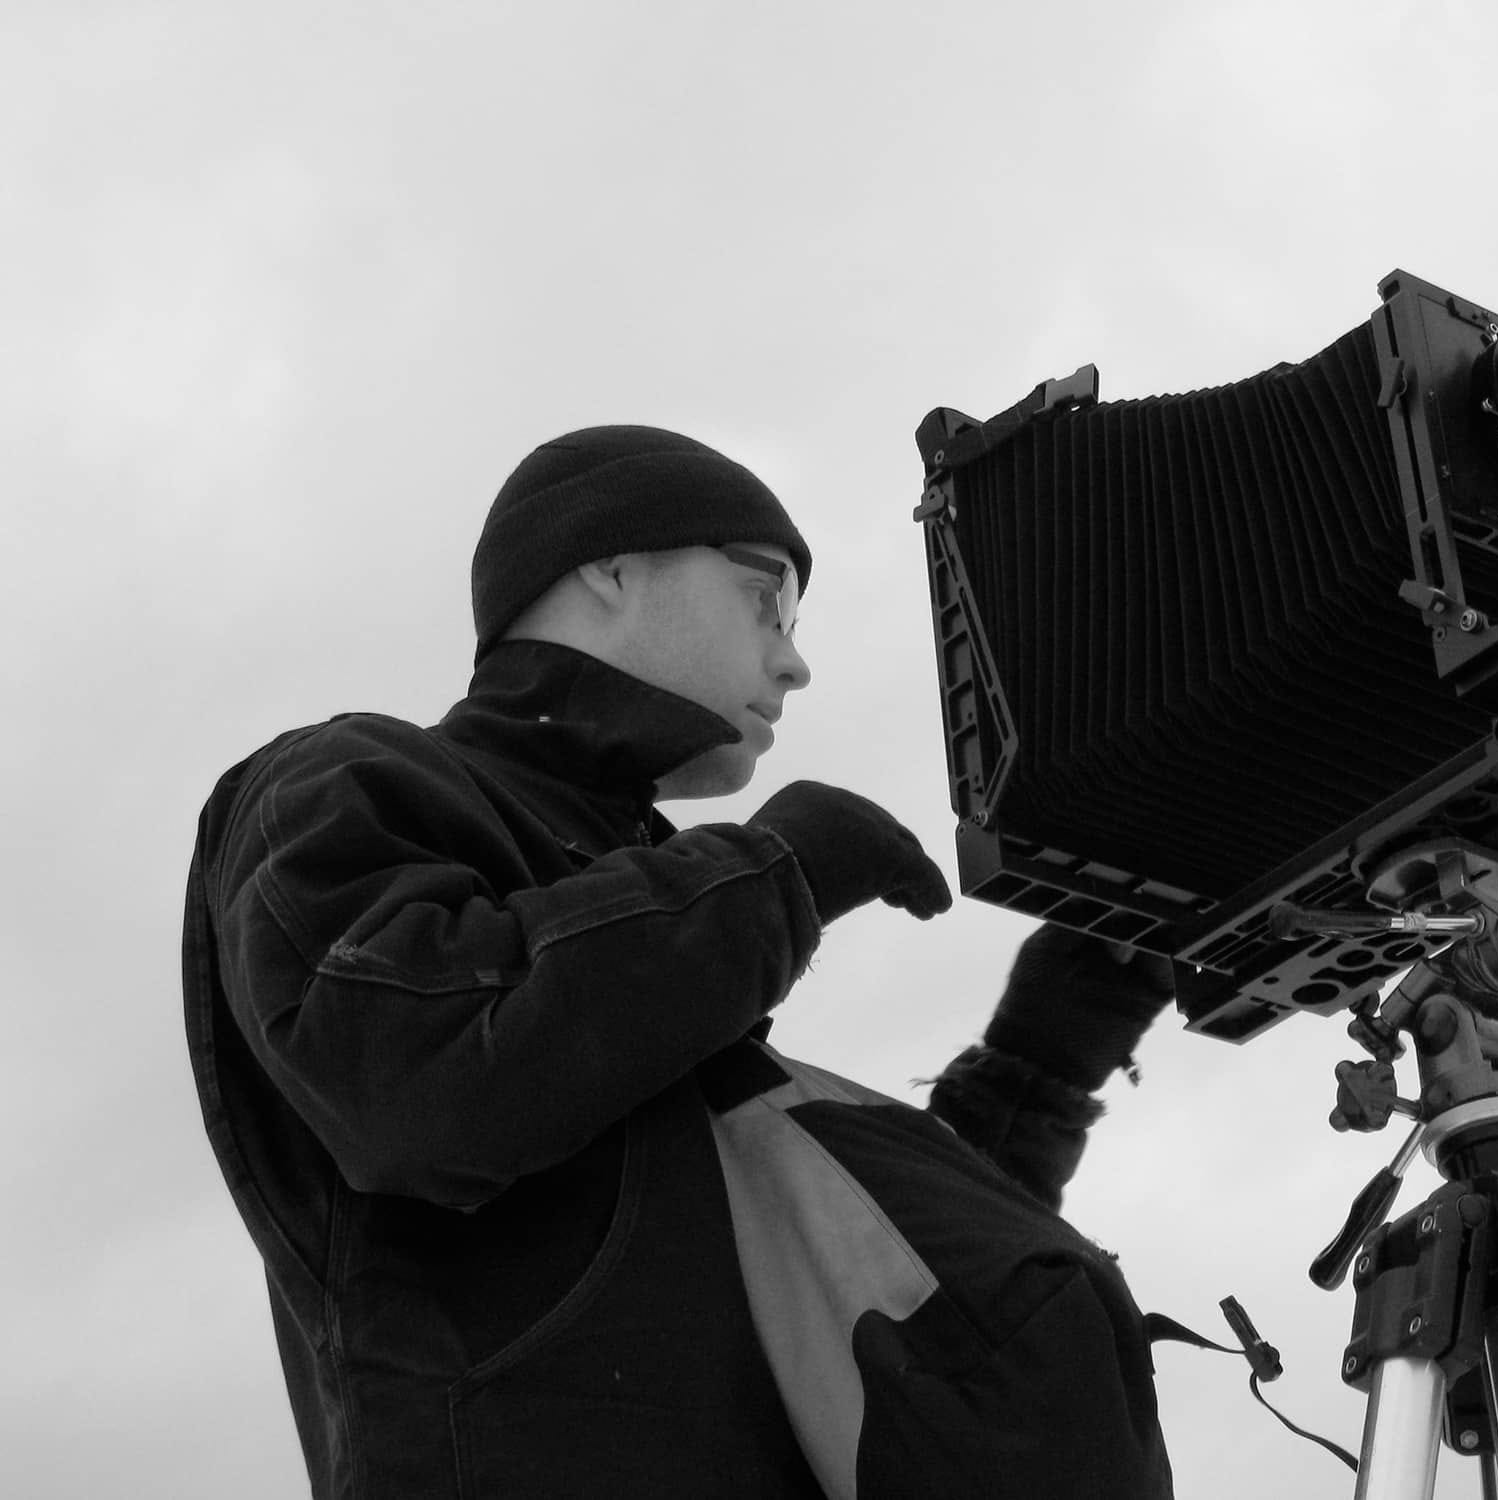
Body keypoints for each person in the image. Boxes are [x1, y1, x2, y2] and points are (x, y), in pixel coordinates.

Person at [181, 425, 1179, 1498]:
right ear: (606, 567)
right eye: (768, 600)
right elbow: (414, 1083)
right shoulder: (342, 782)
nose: (795, 659)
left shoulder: (647, 942)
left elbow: (827, 1275)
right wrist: (770, 877)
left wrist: (1044, 1060)